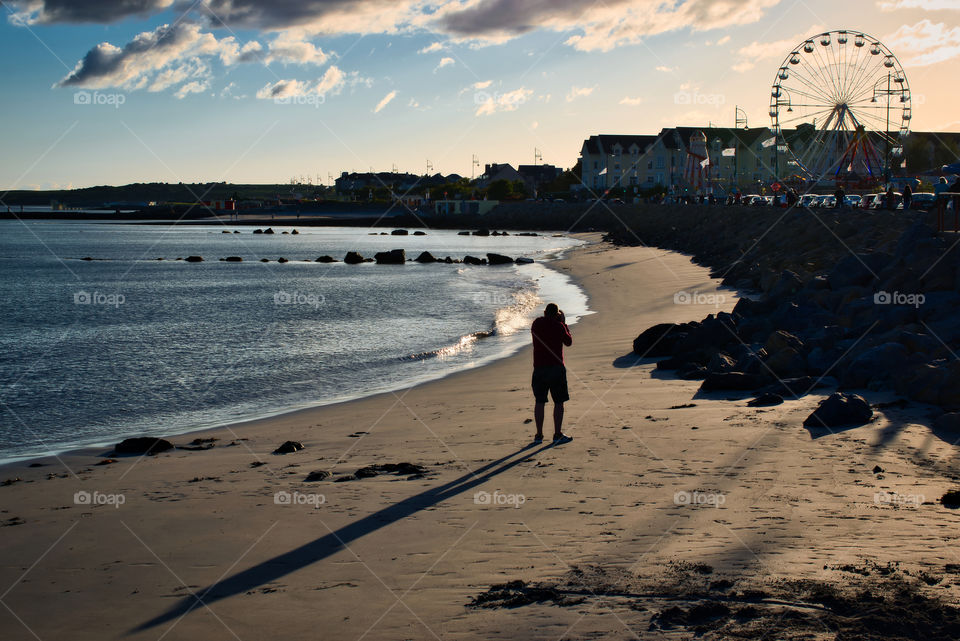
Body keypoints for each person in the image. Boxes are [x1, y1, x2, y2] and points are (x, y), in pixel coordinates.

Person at [531, 303, 573, 445]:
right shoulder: (559, 326)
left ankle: (539, 435)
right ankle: (557, 434)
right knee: (559, 402)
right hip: (556, 368)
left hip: (539, 368)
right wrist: (564, 323)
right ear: (556, 315)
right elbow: (568, 342)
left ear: (544, 312)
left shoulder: (536, 324)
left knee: (539, 401)